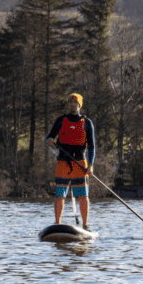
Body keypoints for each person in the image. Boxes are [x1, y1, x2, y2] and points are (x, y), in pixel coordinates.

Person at [45, 93, 96, 231]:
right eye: (71, 102)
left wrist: (90, 165)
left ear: (80, 105)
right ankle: (57, 223)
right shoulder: (61, 120)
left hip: (80, 163)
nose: (73, 105)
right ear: (68, 104)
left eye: (76, 103)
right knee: (60, 195)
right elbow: (49, 137)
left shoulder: (87, 123)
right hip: (63, 163)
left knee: (83, 196)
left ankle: (85, 225)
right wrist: (49, 141)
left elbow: (91, 147)